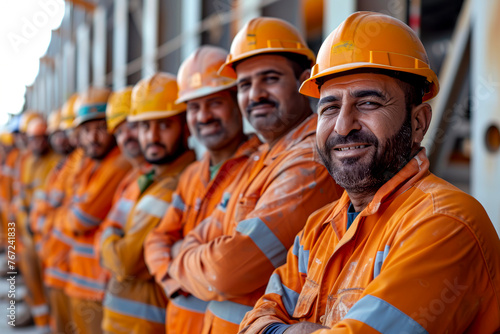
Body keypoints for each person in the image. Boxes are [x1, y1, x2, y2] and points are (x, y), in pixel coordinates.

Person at [239, 11, 500, 334]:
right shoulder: (318, 228)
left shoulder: (445, 222)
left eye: (369, 103)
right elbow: (254, 320)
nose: (343, 126)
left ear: (418, 123)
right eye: (330, 107)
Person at [166, 17, 343, 333]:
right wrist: (195, 253)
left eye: (270, 79)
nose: (255, 94)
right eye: (245, 85)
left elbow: (227, 270)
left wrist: (180, 257)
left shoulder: (311, 161)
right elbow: (207, 232)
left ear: (305, 82)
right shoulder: (261, 157)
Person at [144, 45, 261, 334]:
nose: (204, 116)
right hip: (180, 324)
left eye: (215, 103)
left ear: (238, 103)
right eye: (194, 107)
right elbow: (157, 240)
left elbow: (232, 259)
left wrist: (178, 253)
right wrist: (173, 281)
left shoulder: (262, 167)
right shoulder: (191, 175)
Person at [99, 73, 195, 333]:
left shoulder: (176, 184)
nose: (151, 137)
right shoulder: (150, 178)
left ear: (186, 127)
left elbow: (124, 262)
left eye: (163, 126)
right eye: (143, 126)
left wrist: (107, 234)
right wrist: (112, 238)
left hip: (146, 324)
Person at [64, 87, 131, 334]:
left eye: (101, 128)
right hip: (81, 279)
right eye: (87, 130)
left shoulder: (118, 164)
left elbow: (80, 219)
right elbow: (69, 206)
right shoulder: (90, 163)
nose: (93, 138)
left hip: (98, 287)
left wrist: (68, 213)